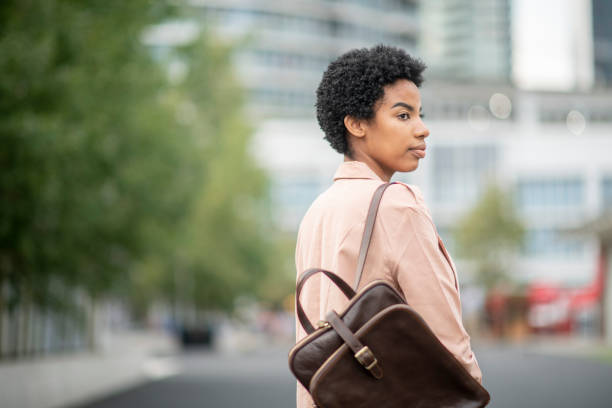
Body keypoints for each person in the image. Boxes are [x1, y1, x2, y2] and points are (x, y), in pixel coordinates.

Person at [294, 44, 483, 408]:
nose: (423, 129)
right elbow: (445, 337)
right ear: (356, 123)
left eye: (419, 115)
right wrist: (472, 391)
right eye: (403, 115)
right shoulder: (397, 204)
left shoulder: (316, 212)